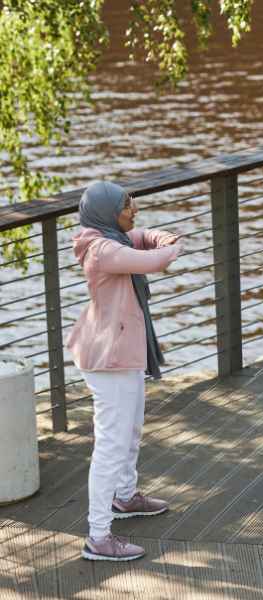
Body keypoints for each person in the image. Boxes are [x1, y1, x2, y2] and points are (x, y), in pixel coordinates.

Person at [67, 181, 182, 561]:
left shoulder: (111, 235)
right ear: (106, 212)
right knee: (111, 446)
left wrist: (159, 237)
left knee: (130, 430)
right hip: (109, 357)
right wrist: (172, 247)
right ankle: (98, 536)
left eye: (133, 202)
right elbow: (154, 259)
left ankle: (125, 496)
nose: (134, 210)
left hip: (124, 349)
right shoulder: (102, 250)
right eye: (127, 205)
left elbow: (143, 236)